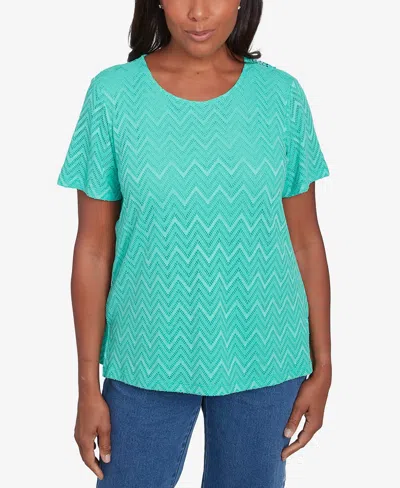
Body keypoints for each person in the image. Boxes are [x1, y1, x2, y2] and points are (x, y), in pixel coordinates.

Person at [57, 1, 332, 486]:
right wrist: (86, 385)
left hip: (266, 354)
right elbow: (93, 248)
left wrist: (323, 365)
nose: (198, 12)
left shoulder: (281, 97)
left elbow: (305, 240)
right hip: (145, 352)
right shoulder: (113, 97)